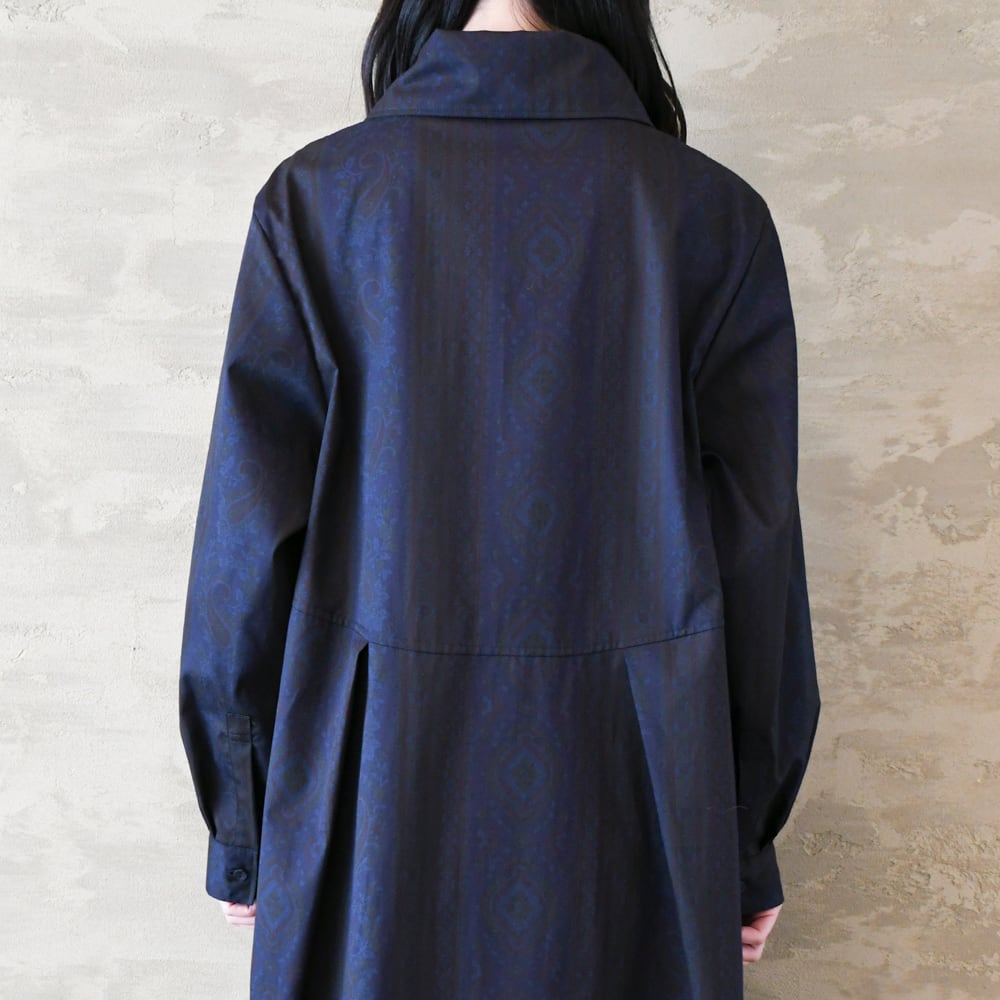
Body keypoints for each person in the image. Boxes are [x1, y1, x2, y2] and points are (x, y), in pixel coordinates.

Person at [178, 0, 821, 995]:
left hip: (373, 808)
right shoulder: (710, 217)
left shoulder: (318, 203)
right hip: (635, 805)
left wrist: (247, 824)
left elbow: (244, 548)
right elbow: (758, 563)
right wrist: (739, 840)